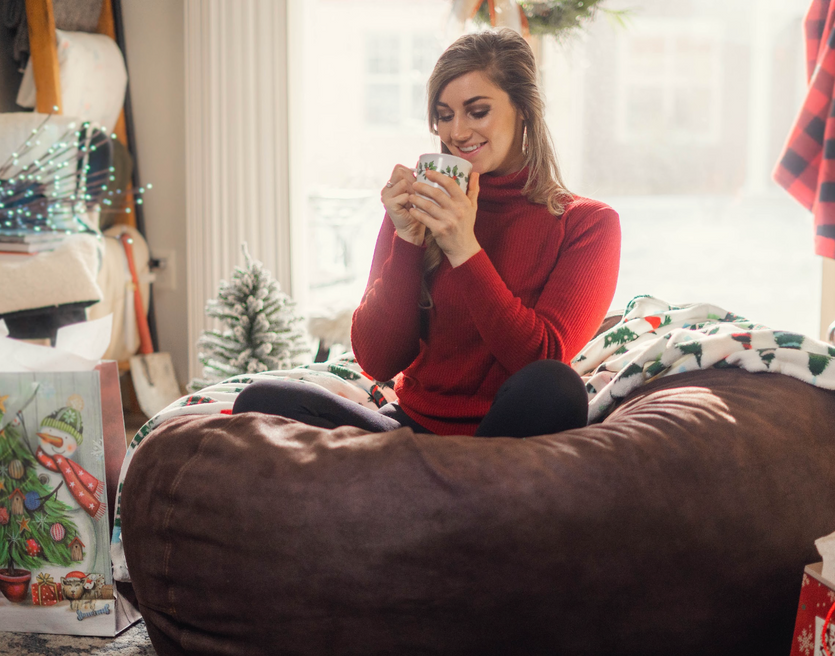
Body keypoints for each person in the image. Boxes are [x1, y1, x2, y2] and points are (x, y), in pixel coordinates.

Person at [235, 28, 621, 437]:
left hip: (504, 438)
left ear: (523, 108)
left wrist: (464, 249)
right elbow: (378, 360)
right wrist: (407, 239)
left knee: (556, 387)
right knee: (260, 400)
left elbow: (541, 358)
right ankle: (438, 485)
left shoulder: (587, 223)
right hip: (411, 430)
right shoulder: (419, 208)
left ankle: (425, 485)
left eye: (477, 111)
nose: (456, 133)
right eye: (444, 114)